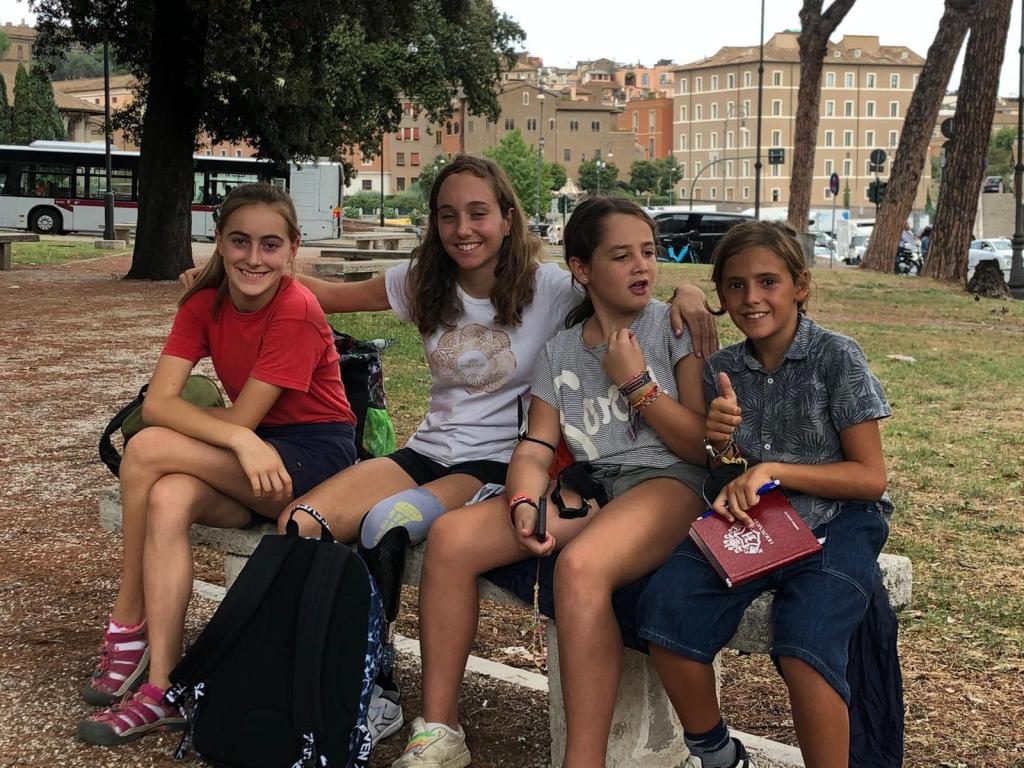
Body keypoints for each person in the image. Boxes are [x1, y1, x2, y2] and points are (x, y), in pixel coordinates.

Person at [178, 156, 716, 745]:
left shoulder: (551, 288)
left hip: (494, 462)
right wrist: (224, 276)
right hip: (427, 450)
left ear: (507, 218)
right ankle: (329, 680)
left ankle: (382, 693)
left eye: (479, 213)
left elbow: (622, 278)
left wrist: (689, 290)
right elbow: (326, 295)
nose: (464, 229)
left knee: (387, 524)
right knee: (301, 522)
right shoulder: (422, 281)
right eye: (447, 215)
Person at [390, 196, 709, 768]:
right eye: (621, 256)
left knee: (581, 567)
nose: (642, 266)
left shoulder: (671, 326)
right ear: (581, 269)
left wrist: (637, 384)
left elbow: (700, 446)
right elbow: (537, 445)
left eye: (649, 252)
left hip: (670, 482)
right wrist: (521, 498)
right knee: (452, 538)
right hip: (594, 487)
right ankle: (440, 729)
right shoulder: (561, 350)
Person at [78, 183, 358, 746]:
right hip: (247, 453)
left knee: (148, 448)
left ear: (293, 249)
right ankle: (163, 689)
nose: (254, 258)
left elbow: (223, 418)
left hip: (315, 461)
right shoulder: (203, 304)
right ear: (219, 241)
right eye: (239, 241)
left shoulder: (297, 309)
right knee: (168, 495)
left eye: (270, 245)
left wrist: (243, 437)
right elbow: (158, 402)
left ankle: (127, 619)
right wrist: (241, 441)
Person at [638, 220, 892, 768]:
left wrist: (774, 470)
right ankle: (717, 753)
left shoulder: (836, 356)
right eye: (736, 286)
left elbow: (871, 478)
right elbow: (724, 468)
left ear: (800, 285)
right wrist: (719, 444)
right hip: (754, 519)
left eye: (768, 282)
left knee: (805, 644)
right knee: (664, 609)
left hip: (838, 520)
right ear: (722, 296)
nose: (752, 298)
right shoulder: (722, 370)